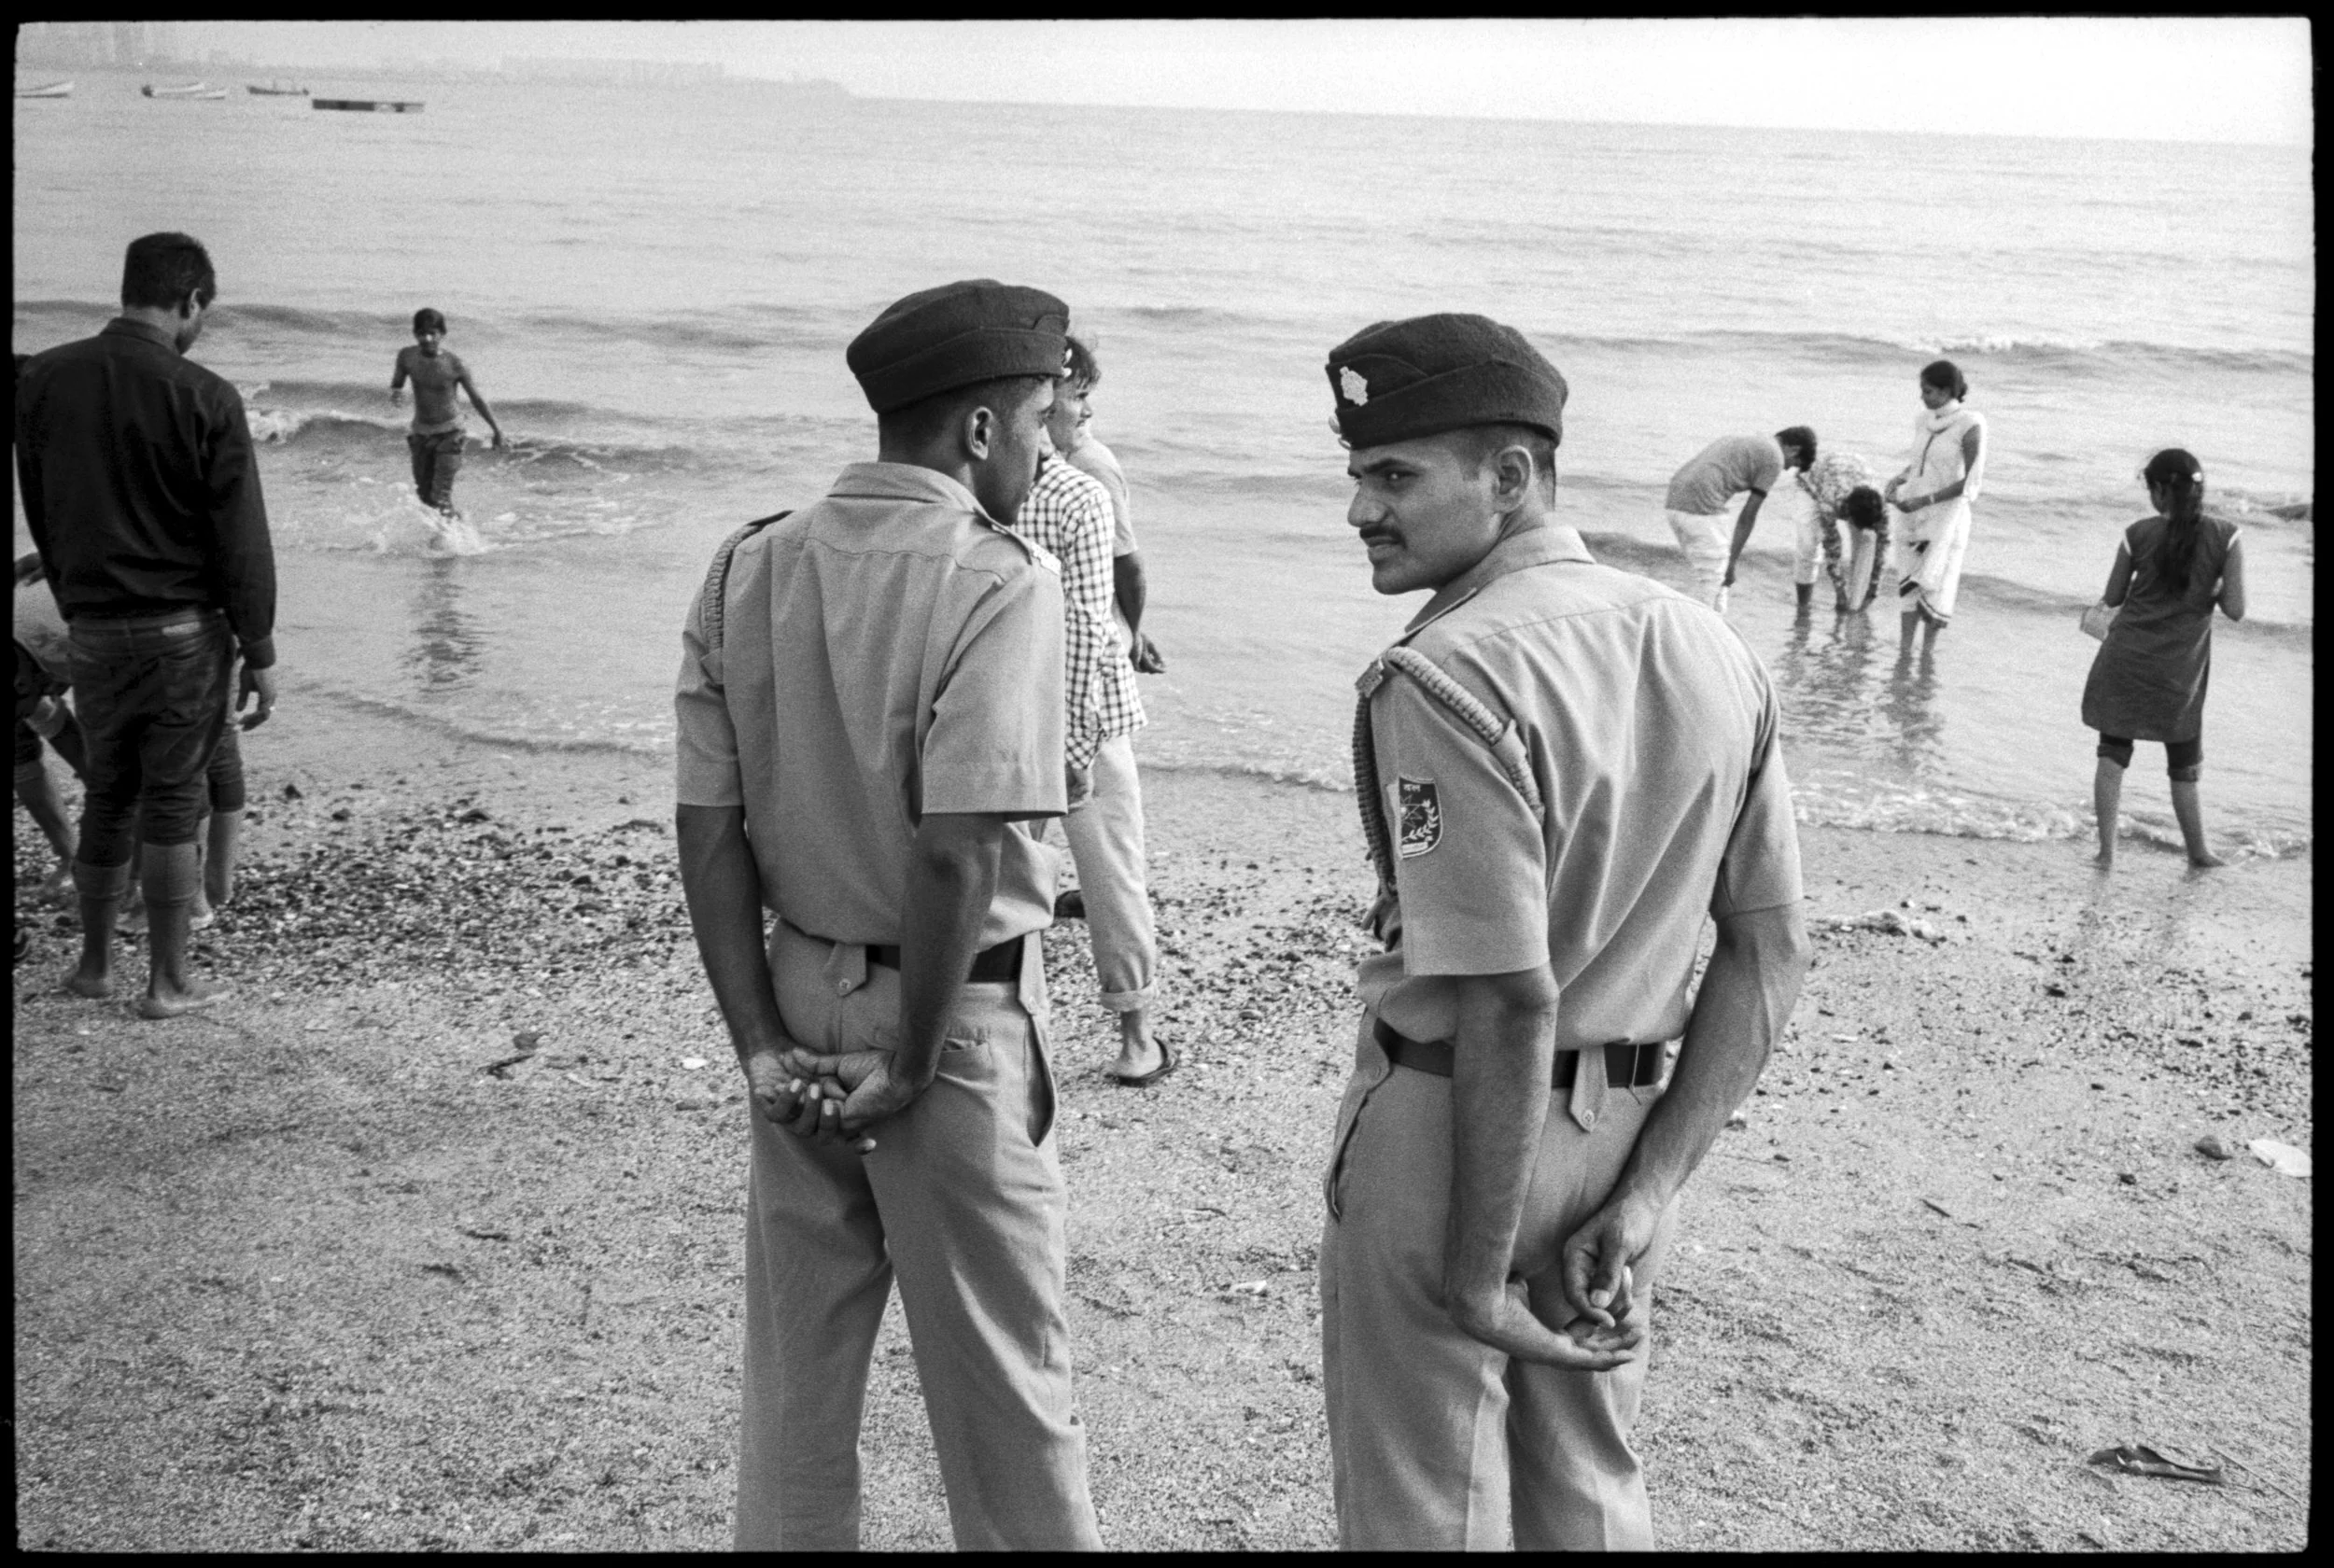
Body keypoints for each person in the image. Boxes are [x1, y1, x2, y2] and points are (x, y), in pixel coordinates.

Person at [1319, 313, 1812, 1550]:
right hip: (1630, 1126)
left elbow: (1505, 995)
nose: (1361, 511)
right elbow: (1768, 949)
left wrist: (1478, 1268)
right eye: (1357, 477)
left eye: (1394, 476)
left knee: (1432, 1505)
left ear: (1512, 475)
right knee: (1590, 1490)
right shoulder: (1710, 647)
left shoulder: (1445, 674)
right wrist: (1648, 1191)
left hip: (1457, 1135)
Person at [673, 278, 1101, 1551]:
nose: (1052, 447)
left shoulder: (752, 563)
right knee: (1006, 1390)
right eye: (1040, 423)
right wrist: (913, 1058)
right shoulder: (997, 580)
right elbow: (959, 850)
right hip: (950, 1014)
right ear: (978, 430)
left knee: (800, 1378)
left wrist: (757, 1040)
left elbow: (710, 832)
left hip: (796, 986)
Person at [15, 231, 279, 1018]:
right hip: (182, 633)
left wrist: (70, 590)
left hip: (92, 628)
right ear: (191, 300)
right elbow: (241, 538)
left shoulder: (43, 380)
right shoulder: (204, 394)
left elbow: (42, 503)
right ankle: (167, 982)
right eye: (204, 310)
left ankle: (94, 968)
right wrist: (259, 648)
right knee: (170, 799)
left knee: (109, 794)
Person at [1019, 337, 1173, 1085]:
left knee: (1031, 867)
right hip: (1074, 707)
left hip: (1029, 702)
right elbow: (1113, 588)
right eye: (1078, 394)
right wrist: (1132, 634)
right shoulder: (1076, 478)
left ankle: (1110, 1029)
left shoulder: (1035, 476)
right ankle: (1136, 1033)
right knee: (1111, 868)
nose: (1084, 409)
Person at [2080, 448, 2244, 870]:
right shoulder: (2226, 535)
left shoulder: (2137, 534)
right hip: (2180, 671)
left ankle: (2107, 853)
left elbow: (2114, 597)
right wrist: (2214, 583)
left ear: (2158, 491)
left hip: (2127, 660)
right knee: (2184, 764)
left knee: (2112, 755)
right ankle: (2199, 853)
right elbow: (2236, 609)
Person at [1055, 337, 1168, 676]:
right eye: (1078, 396)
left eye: (1084, 396)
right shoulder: (1055, 463)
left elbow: (1127, 564)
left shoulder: (1090, 465)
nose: (1088, 411)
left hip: (1095, 647)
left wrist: (1132, 633)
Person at [1884, 359, 1987, 649]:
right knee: (1907, 581)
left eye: (1927, 391)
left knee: (1936, 583)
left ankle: (1927, 652)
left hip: (1945, 517)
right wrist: (1898, 480)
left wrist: (1925, 500)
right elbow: (1919, 464)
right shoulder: (1923, 421)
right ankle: (1904, 651)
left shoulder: (1970, 423)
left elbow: (1971, 482)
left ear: (1945, 391)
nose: (1922, 396)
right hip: (1913, 515)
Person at [1664, 426, 1817, 612]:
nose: (1786, 468)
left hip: (1674, 502)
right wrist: (1732, 562)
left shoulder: (1750, 438)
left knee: (1714, 581)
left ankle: (1715, 629)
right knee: (1714, 581)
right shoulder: (1774, 458)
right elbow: (1747, 517)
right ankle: (1702, 632)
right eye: (1792, 463)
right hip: (1701, 505)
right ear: (1794, 449)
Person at [14, 552, 85, 901]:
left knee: (115, 756)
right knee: (21, 749)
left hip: (77, 625)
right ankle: (73, 857)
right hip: (44, 625)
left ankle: (124, 869)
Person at [389, 307, 504, 518]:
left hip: (451, 433)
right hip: (420, 434)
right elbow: (398, 380)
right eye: (422, 333)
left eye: (433, 333)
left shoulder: (455, 364)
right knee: (424, 497)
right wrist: (396, 392)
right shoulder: (406, 357)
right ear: (415, 333)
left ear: (442, 334)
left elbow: (477, 399)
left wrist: (497, 430)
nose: (427, 338)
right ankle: (458, 530)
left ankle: (449, 544)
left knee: (440, 497)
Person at [1796, 447, 1889, 613]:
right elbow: (1832, 548)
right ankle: (1803, 607)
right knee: (1808, 545)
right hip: (1814, 481)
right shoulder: (1830, 501)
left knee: (1867, 542)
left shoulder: (1881, 506)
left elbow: (1881, 550)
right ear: (1849, 515)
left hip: (1853, 471)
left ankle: (1856, 601)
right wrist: (1840, 591)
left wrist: (1873, 591)